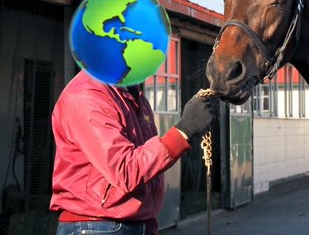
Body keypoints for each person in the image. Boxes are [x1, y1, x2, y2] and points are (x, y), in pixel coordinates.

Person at [49, 70, 214, 235]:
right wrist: (183, 131)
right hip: (97, 225)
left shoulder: (131, 92)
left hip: (134, 222)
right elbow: (124, 169)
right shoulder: (87, 95)